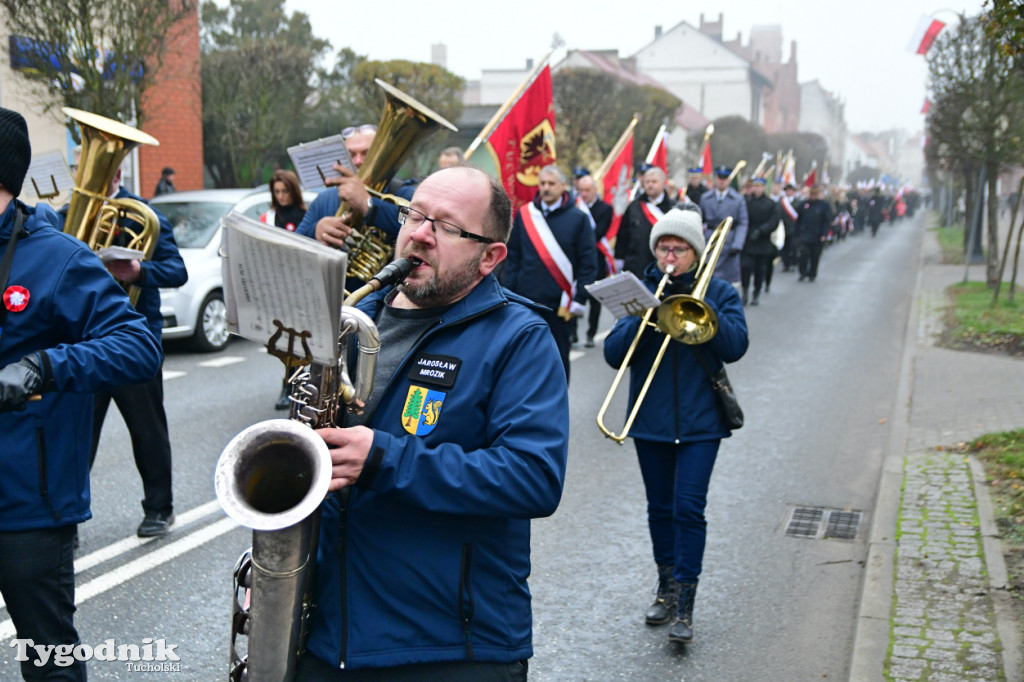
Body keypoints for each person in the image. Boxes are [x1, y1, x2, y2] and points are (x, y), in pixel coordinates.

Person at [295, 165, 568, 681]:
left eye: (446, 226)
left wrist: (382, 458)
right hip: (330, 638)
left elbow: (534, 479)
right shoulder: (353, 318)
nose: (419, 233)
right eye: (414, 214)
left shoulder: (521, 338)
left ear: (490, 257)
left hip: (451, 650)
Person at [0, 106, 163, 680]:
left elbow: (140, 347)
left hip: (27, 505)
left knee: (48, 658)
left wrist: (42, 365)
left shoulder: (58, 258)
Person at [603, 204, 748, 647]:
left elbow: (737, 346)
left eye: (679, 249)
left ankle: (686, 601)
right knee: (660, 509)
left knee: (688, 508)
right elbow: (613, 354)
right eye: (664, 247)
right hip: (651, 419)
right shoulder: (639, 291)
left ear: (695, 253)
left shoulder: (720, 291)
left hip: (703, 421)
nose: (670, 256)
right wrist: (645, 318)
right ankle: (665, 587)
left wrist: (703, 313)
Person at [80, 167, 188, 538]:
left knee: (147, 430)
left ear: (117, 173)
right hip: (87, 341)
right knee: (79, 433)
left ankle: (160, 509)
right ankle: (68, 515)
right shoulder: (71, 214)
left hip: (133, 340)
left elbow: (177, 270)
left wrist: (139, 271)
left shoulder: (145, 214)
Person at [502, 165, 598, 381]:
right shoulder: (526, 214)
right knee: (523, 358)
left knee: (558, 359)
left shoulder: (579, 218)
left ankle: (558, 406)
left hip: (559, 304)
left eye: (551, 184)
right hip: (525, 301)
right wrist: (508, 293)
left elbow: (587, 263)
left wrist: (580, 297)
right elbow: (513, 257)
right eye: (542, 183)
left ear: (563, 186)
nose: (546, 188)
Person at [260, 169, 309, 409]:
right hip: (276, 287)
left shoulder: (306, 215)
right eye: (276, 191)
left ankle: (293, 385)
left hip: (302, 286)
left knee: (299, 339)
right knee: (281, 340)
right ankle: (289, 381)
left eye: (285, 191)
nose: (281, 196)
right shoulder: (267, 218)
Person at [615, 166, 678, 277]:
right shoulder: (634, 206)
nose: (650, 185)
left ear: (663, 183)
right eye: (647, 182)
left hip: (664, 265)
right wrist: (619, 258)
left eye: (654, 181)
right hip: (636, 265)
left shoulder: (674, 208)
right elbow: (622, 235)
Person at [575, 173, 613, 348]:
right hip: (577, 258)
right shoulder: (575, 207)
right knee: (575, 294)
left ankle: (591, 332)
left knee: (595, 297)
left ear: (595, 190)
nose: (584, 194)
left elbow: (599, 233)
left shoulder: (604, 208)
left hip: (596, 258)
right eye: (581, 190)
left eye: (587, 190)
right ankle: (573, 333)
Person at [698, 166, 749, 290]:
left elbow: (743, 222)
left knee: (726, 281)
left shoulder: (738, 199)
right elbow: (699, 220)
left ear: (729, 180)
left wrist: (737, 244)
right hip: (709, 239)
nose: (721, 181)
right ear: (715, 179)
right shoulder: (705, 198)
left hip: (728, 240)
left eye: (724, 178)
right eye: (719, 178)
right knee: (706, 276)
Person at [741, 177, 780, 306]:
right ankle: (745, 291)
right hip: (748, 239)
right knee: (745, 267)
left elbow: (774, 221)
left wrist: (762, 230)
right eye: (755, 186)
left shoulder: (770, 203)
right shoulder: (746, 202)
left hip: (763, 241)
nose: (757, 189)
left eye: (760, 186)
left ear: (764, 187)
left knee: (760, 269)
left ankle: (756, 292)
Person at [795, 185, 833, 282]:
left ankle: (812, 273)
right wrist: (797, 232)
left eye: (815, 194)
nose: (813, 196)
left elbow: (827, 221)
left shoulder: (824, 205)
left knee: (815, 256)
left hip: (818, 235)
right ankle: (802, 272)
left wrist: (824, 234)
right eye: (811, 194)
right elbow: (798, 219)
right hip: (805, 234)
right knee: (803, 255)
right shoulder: (803, 204)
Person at [261, 169, 307, 233]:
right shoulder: (268, 217)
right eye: (277, 192)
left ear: (294, 191)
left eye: (285, 191)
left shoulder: (305, 216)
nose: (280, 196)